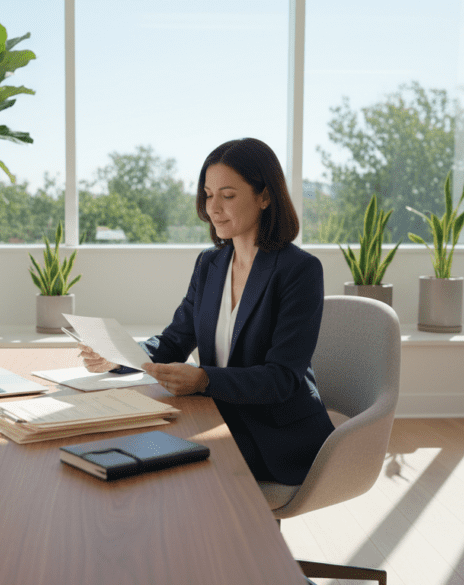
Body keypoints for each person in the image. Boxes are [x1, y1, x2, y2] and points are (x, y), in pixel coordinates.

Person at [79, 137, 335, 486]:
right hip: (218, 413)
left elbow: (282, 379)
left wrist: (205, 379)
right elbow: (173, 341)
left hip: (277, 436)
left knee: (166, 472)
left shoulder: (299, 271)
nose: (213, 207)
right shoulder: (210, 264)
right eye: (208, 194)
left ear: (264, 196)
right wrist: (117, 356)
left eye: (227, 195)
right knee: (114, 447)